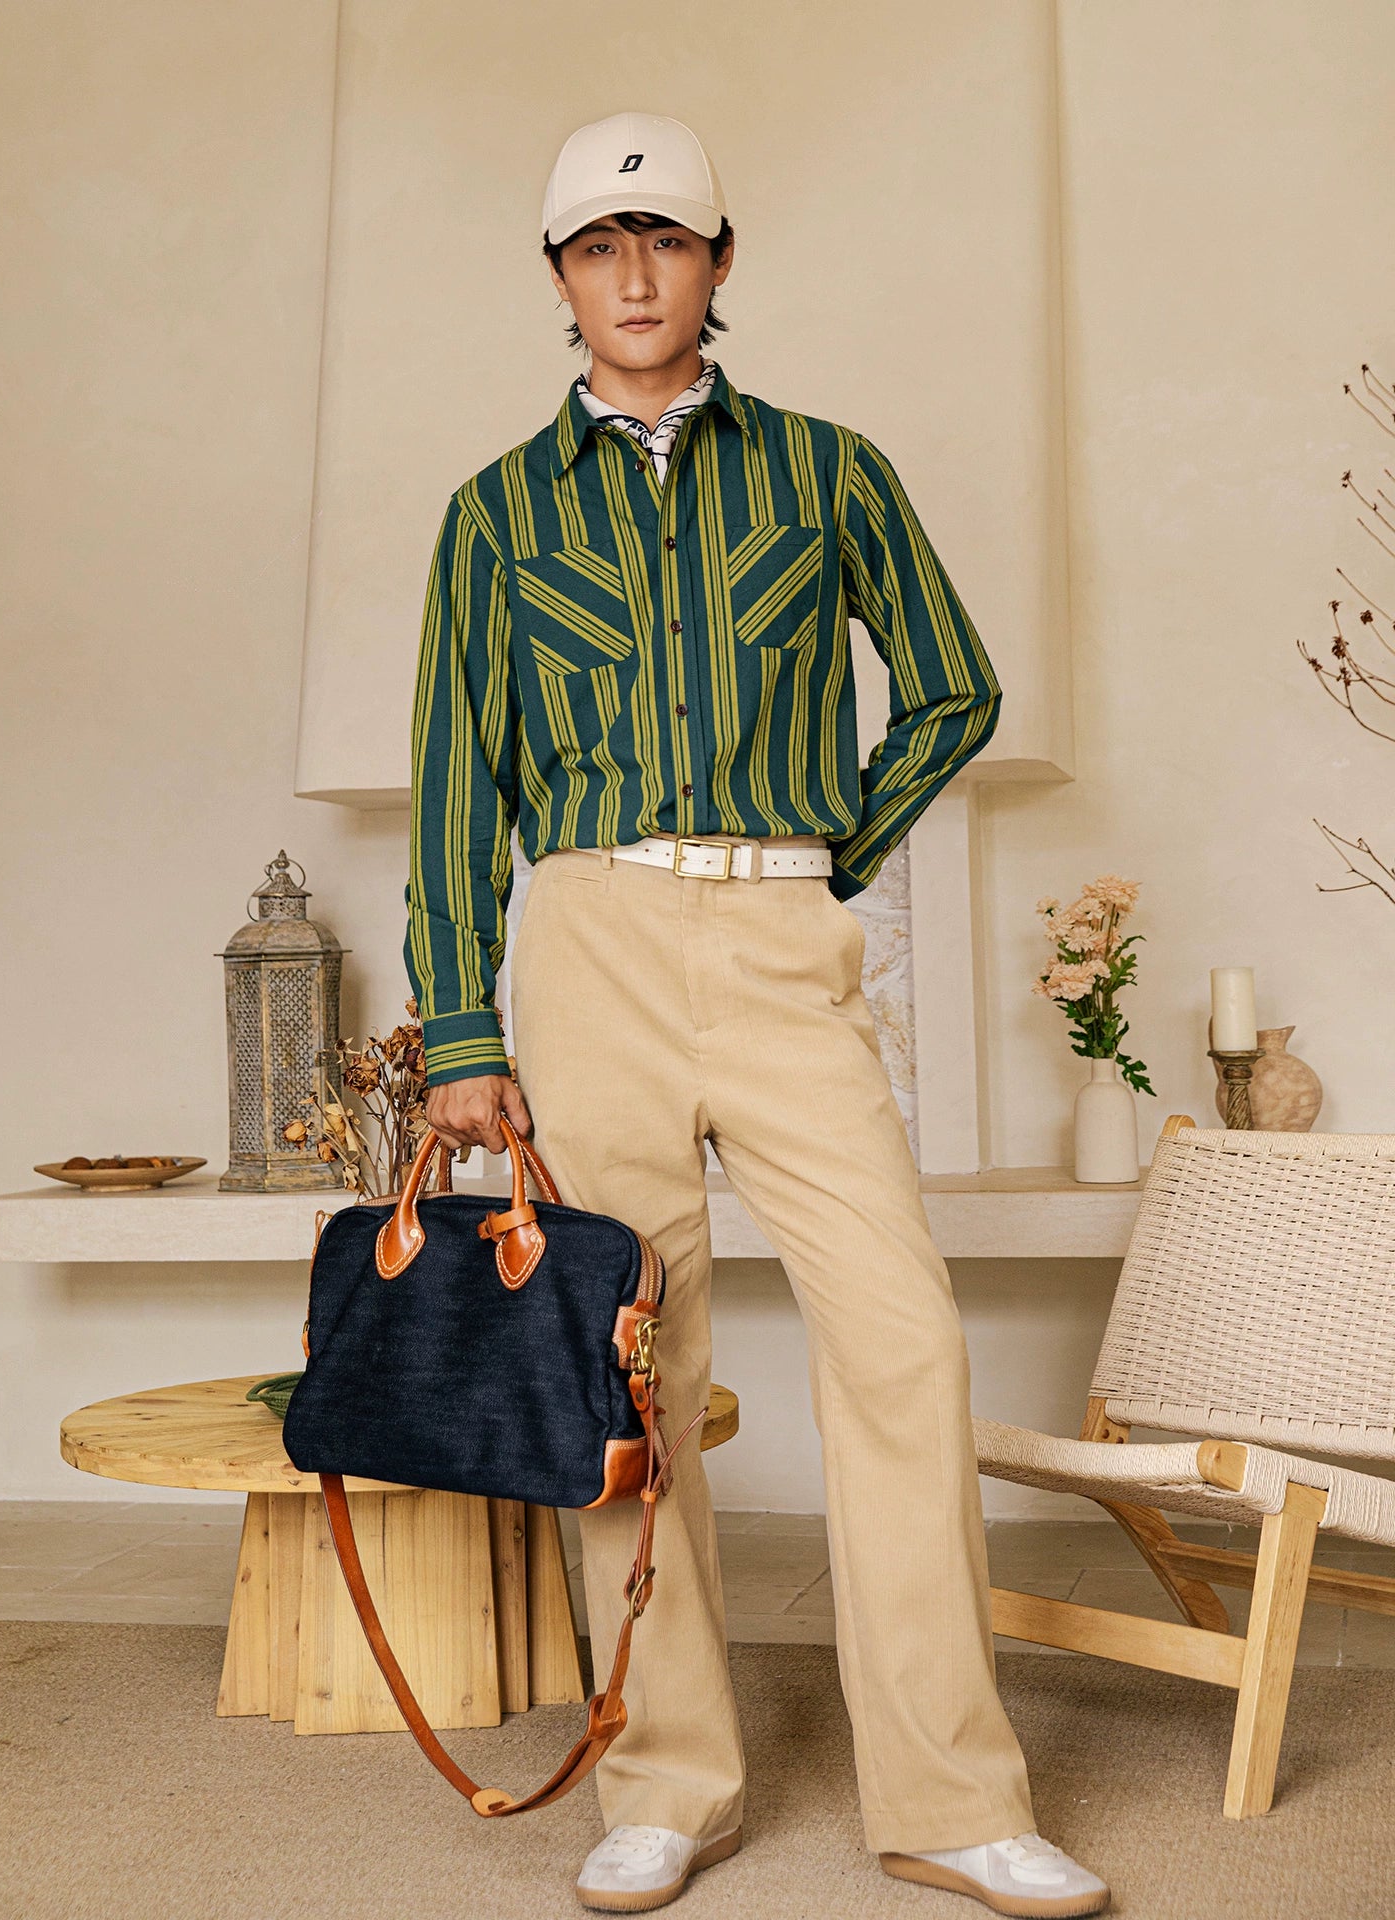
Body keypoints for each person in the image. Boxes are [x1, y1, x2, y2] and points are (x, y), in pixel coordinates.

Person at [405, 108, 1110, 1919]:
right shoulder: (493, 514)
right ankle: (667, 1782)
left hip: (785, 942)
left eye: (666, 241)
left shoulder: (831, 471)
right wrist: (462, 1034)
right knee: (626, 1364)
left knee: (902, 1338)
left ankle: (954, 1799)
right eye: (597, 246)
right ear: (560, 276)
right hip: (588, 946)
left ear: (719, 261)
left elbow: (951, 685)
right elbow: (455, 789)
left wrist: (829, 858)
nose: (634, 275)